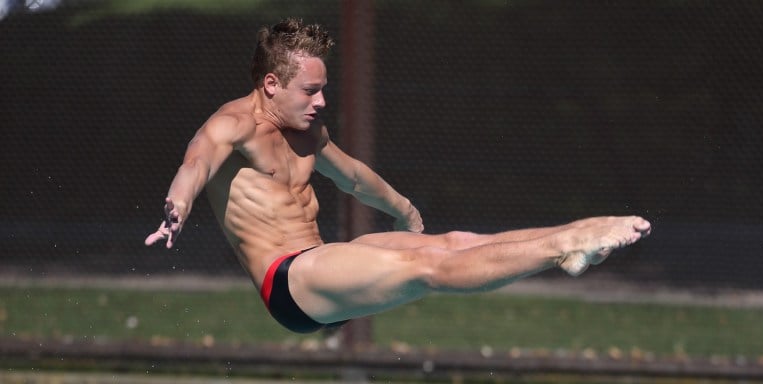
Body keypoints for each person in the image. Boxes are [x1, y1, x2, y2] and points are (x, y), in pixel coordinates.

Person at [145, 18, 651, 334]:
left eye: (324, 89)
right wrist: (178, 208)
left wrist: (403, 209)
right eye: (310, 91)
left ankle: (570, 242)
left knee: (451, 242)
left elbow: (356, 178)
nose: (322, 101)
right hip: (290, 282)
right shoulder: (230, 124)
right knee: (425, 268)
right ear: (271, 84)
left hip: (322, 263)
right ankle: (566, 241)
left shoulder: (306, 133)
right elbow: (195, 164)